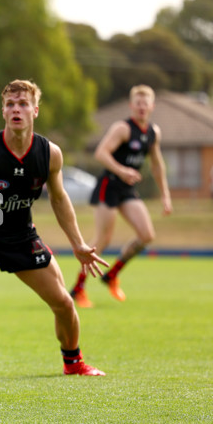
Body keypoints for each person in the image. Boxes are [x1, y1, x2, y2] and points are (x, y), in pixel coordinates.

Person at [0, 79, 108, 377]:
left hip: (23, 236)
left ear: (34, 111)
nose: (17, 109)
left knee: (64, 303)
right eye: (11, 104)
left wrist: (78, 244)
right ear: (3, 111)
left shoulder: (50, 154)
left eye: (23, 104)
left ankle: (73, 362)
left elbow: (60, 199)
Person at [70, 85, 173, 308]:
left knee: (146, 235)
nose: (142, 107)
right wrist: (122, 170)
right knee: (102, 240)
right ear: (131, 106)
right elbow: (101, 153)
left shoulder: (153, 132)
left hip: (126, 190)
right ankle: (77, 290)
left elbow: (157, 165)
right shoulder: (123, 128)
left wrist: (165, 195)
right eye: (138, 103)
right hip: (109, 185)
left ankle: (111, 275)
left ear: (152, 107)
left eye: (145, 103)